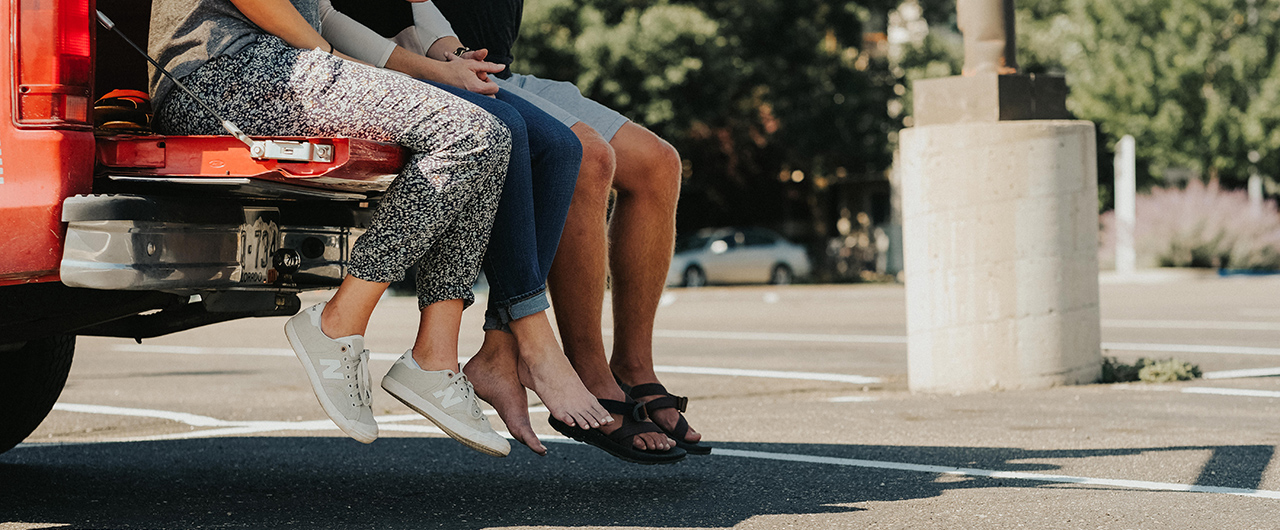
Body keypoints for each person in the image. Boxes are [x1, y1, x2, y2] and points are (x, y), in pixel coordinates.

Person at [147, 0, 611, 456]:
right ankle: (337, 323)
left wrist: (441, 56)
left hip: (282, 61)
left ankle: (435, 358)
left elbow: (333, 10)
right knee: (473, 135)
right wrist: (331, 57)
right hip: (222, 71)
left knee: (491, 133)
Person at [330, 0, 708, 461]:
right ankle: (582, 370)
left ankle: (632, 366)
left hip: (484, 66)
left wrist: (459, 54)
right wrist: (441, 63)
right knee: (586, 156)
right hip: (410, 66)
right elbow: (347, 16)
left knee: (657, 164)